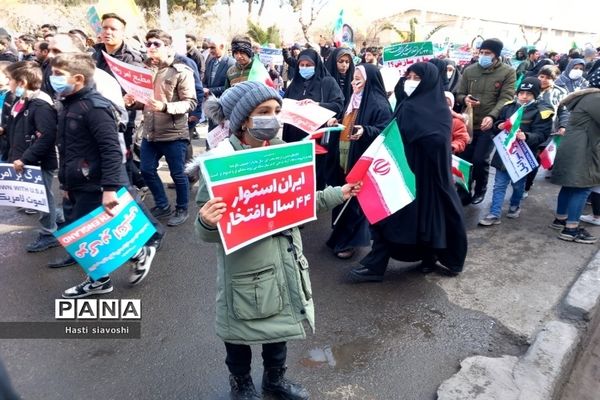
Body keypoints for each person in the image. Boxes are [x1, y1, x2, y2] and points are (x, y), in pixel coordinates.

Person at [196, 80, 361, 400]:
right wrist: (207, 220)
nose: (272, 118)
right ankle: (240, 382)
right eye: (263, 112)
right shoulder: (220, 163)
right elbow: (203, 231)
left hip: (285, 259)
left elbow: (301, 203)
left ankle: (275, 380)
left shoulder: (284, 155)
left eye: (276, 111)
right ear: (245, 119)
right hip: (244, 269)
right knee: (239, 332)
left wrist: (338, 194)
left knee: (279, 328)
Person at [50, 53, 156, 297]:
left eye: (58, 74)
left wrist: (110, 188)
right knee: (94, 233)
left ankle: (102, 278)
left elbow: (111, 150)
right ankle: (134, 256)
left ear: (78, 78)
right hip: (76, 182)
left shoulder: (95, 107)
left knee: (87, 236)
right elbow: (67, 149)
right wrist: (65, 183)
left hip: (95, 184)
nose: (52, 78)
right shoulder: (68, 104)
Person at [350, 62, 467, 282]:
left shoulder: (439, 110)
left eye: (417, 78)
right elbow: (393, 133)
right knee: (387, 217)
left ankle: (428, 258)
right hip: (402, 173)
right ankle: (376, 265)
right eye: (409, 76)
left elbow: (438, 143)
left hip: (428, 178)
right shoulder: (406, 105)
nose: (411, 82)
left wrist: (420, 137)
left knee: (427, 220)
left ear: (430, 81)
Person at [124, 30, 197, 227]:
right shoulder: (144, 71)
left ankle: (182, 208)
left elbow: (190, 103)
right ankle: (162, 204)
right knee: (146, 170)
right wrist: (132, 103)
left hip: (174, 134)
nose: (151, 48)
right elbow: (144, 103)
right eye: (148, 44)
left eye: (156, 44)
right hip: (150, 132)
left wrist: (165, 106)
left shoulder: (181, 71)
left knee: (178, 174)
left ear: (168, 48)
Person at [324, 64, 392, 259]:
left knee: (354, 201)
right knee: (341, 195)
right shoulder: (352, 100)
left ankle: (349, 242)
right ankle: (339, 237)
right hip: (343, 155)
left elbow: (385, 131)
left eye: (358, 80)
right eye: (353, 79)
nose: (354, 83)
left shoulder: (379, 104)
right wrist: (335, 122)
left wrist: (366, 131)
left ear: (369, 81)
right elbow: (345, 123)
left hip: (361, 159)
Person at [478, 77, 553, 226]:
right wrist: (498, 125)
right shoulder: (508, 107)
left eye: (529, 94)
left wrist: (526, 136)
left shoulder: (542, 111)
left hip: (522, 156)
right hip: (504, 154)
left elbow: (542, 134)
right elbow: (498, 122)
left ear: (536, 95)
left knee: (518, 185)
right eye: (521, 93)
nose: (524, 97)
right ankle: (494, 214)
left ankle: (515, 205)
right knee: (499, 184)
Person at [4, 61, 61, 252]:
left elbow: (47, 137)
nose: (8, 83)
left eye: (10, 79)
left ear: (21, 82)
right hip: (24, 157)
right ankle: (57, 218)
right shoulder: (22, 100)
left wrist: (25, 158)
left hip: (37, 160)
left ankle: (49, 233)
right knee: (37, 197)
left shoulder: (40, 104)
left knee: (43, 197)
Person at [456, 38, 516, 204]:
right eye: (481, 52)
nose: (483, 56)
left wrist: (493, 116)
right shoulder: (469, 70)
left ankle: (480, 188)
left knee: (479, 159)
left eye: (487, 53)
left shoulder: (508, 72)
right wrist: (465, 99)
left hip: (488, 124)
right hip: (467, 122)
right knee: (465, 159)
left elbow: (506, 98)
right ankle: (463, 190)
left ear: (496, 55)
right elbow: (459, 94)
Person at [549, 68, 600, 244]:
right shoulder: (596, 98)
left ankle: (561, 218)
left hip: (574, 146)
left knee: (570, 185)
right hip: (583, 149)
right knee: (582, 187)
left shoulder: (588, 96)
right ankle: (571, 229)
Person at [282, 48, 344, 189]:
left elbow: (338, 104)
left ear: (316, 65)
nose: (304, 68)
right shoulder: (295, 83)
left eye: (308, 65)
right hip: (294, 137)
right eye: (301, 65)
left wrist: (317, 105)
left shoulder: (327, 82)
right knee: (295, 175)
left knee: (315, 175)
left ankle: (316, 203)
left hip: (316, 138)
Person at [202, 37, 235, 131]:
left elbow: (230, 87)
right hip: (211, 104)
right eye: (209, 48)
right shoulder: (210, 62)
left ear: (222, 46)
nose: (210, 50)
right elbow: (206, 81)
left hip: (224, 106)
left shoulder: (231, 63)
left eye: (213, 47)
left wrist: (210, 90)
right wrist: (204, 89)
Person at [324, 47, 355, 118]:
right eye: (340, 61)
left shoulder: (352, 78)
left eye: (347, 62)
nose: (344, 65)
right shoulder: (326, 79)